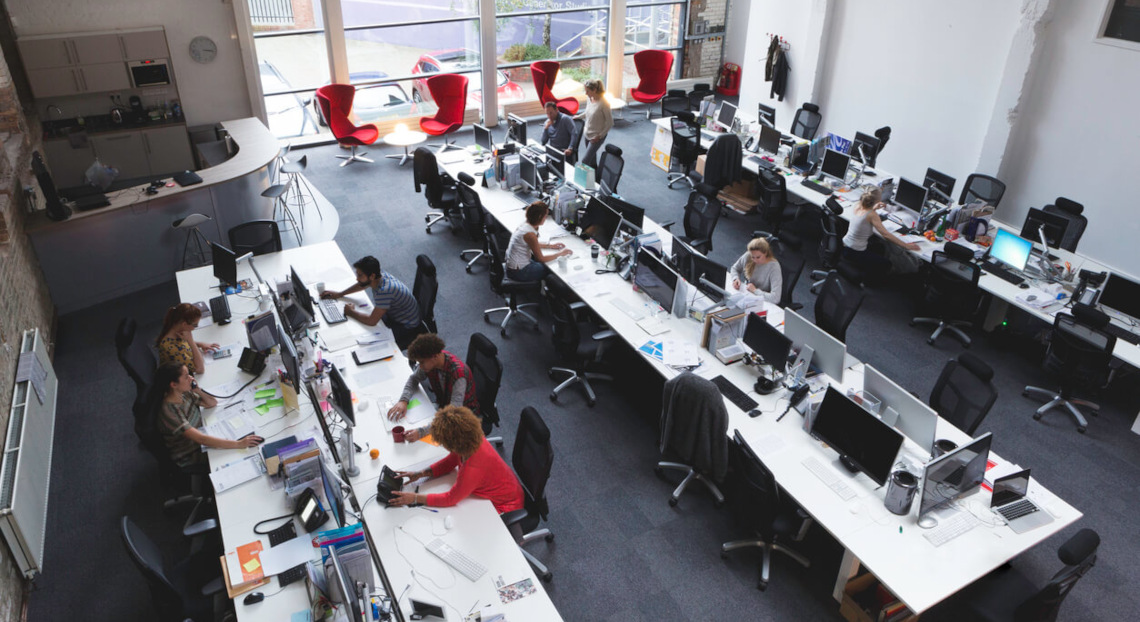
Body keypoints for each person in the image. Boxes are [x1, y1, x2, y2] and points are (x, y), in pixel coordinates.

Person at [388, 406, 523, 514]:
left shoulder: (473, 469)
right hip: (506, 490)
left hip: (507, 507)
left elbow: (450, 499)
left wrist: (415, 498)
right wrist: (420, 473)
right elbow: (450, 462)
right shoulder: (470, 441)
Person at [148, 363, 262, 468]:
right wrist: (239, 444)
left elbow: (211, 403)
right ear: (173, 384)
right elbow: (201, 439)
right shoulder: (170, 412)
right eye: (186, 377)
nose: (191, 378)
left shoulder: (184, 393)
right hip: (190, 452)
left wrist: (197, 390)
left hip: (204, 432)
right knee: (241, 457)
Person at [388, 334, 480, 443]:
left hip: (461, 416)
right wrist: (403, 400)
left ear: (435, 356)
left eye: (422, 362)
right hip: (443, 406)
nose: (420, 366)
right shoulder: (433, 362)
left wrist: (422, 432)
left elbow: (453, 415)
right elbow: (414, 379)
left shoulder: (458, 374)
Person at [320, 255, 423, 349]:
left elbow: (371, 321)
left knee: (375, 345)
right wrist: (340, 294)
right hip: (396, 314)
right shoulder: (380, 275)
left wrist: (350, 312)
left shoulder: (385, 291)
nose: (357, 278)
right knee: (363, 323)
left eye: (360, 275)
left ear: (372, 276)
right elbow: (362, 284)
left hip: (406, 326)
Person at [842, 187, 920, 275]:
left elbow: (865, 214)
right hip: (856, 252)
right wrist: (906, 246)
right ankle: (872, 280)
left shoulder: (858, 205)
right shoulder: (872, 215)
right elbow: (886, 235)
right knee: (887, 264)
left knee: (880, 247)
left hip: (845, 246)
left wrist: (874, 208)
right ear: (878, 200)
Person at [505, 201, 571, 282]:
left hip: (514, 266)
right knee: (552, 269)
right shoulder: (530, 234)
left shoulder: (525, 225)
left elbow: (533, 244)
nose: (546, 218)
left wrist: (550, 245)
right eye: (545, 216)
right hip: (517, 272)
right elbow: (541, 259)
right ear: (540, 216)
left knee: (547, 264)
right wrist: (560, 254)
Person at [157, 303, 219, 375]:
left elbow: (183, 343)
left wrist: (200, 344)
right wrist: (191, 341)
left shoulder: (174, 330)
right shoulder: (172, 348)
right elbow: (200, 369)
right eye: (195, 325)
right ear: (184, 324)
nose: (195, 328)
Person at [730, 237, 783, 304]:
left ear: (766, 253)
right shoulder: (748, 255)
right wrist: (735, 279)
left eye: (758, 257)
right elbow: (735, 268)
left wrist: (755, 291)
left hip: (763, 301)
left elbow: (775, 298)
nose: (755, 260)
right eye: (753, 257)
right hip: (747, 294)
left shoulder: (774, 267)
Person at [575, 79, 613, 169]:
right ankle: (595, 178)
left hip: (596, 136)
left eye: (587, 91)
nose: (586, 93)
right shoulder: (590, 98)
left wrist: (599, 136)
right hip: (587, 133)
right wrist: (578, 116)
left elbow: (610, 123)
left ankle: (583, 180)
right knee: (592, 160)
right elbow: (587, 112)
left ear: (594, 90)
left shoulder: (604, 103)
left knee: (585, 161)